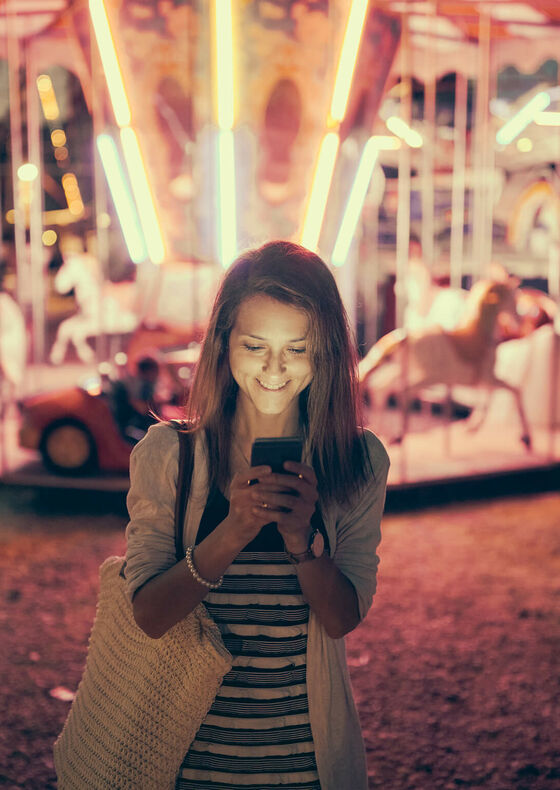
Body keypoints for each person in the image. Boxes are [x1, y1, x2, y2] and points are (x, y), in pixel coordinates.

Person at [124, 240, 390, 790]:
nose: (274, 369)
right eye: (255, 346)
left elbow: (342, 618)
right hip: (185, 763)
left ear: (327, 352)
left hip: (306, 765)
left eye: (297, 349)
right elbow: (148, 615)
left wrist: (305, 544)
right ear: (223, 345)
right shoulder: (168, 456)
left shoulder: (359, 460)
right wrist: (234, 530)